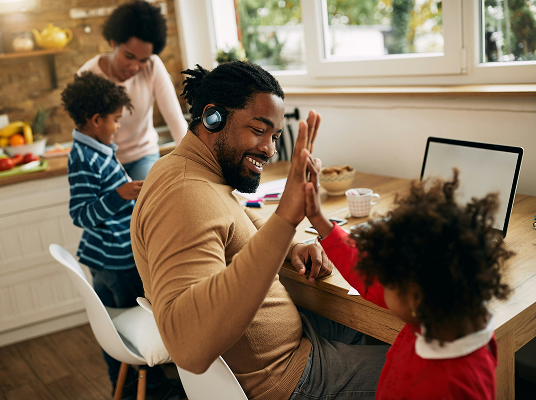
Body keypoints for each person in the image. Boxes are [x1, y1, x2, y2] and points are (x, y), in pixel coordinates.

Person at [130, 61, 388, 400]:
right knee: (429, 371)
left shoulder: (192, 171)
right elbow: (188, 345)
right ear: (213, 117)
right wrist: (285, 218)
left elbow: (239, 220)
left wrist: (293, 245)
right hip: (287, 379)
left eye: (275, 135)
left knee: (378, 333)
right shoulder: (185, 196)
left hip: (287, 346)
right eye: (259, 130)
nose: (269, 148)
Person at [305, 168, 514, 399]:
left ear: (414, 295)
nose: (379, 279)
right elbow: (365, 272)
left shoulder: (460, 383)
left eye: (386, 278)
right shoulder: (437, 307)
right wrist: (319, 220)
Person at [61, 71, 145, 398]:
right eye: (115, 120)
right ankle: (145, 388)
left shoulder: (98, 149)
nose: (118, 126)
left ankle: (125, 386)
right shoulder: (84, 158)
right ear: (95, 120)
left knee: (118, 326)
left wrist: (130, 194)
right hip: (114, 262)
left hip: (114, 257)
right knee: (128, 331)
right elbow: (80, 213)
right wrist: (120, 195)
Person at [78, 0, 187, 181]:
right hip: (104, 161)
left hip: (144, 157)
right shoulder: (87, 76)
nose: (135, 67)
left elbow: (176, 121)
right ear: (114, 43)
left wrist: (195, 164)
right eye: (129, 56)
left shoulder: (153, 66)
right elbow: (86, 138)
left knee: (150, 201)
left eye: (143, 59)